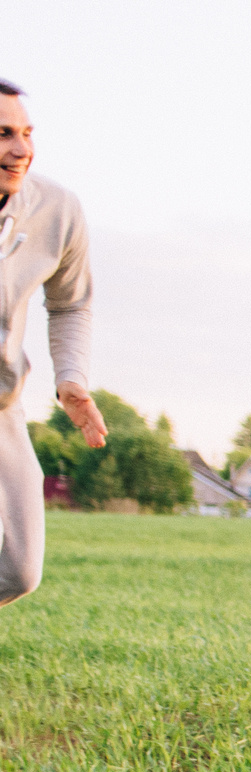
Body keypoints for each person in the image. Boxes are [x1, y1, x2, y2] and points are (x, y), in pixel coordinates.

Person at [0, 77, 104, 608]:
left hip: (3, 407)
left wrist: (70, 378)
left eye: (26, 132)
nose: (21, 149)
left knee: (19, 569)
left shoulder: (56, 211)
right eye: (3, 134)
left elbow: (70, 304)